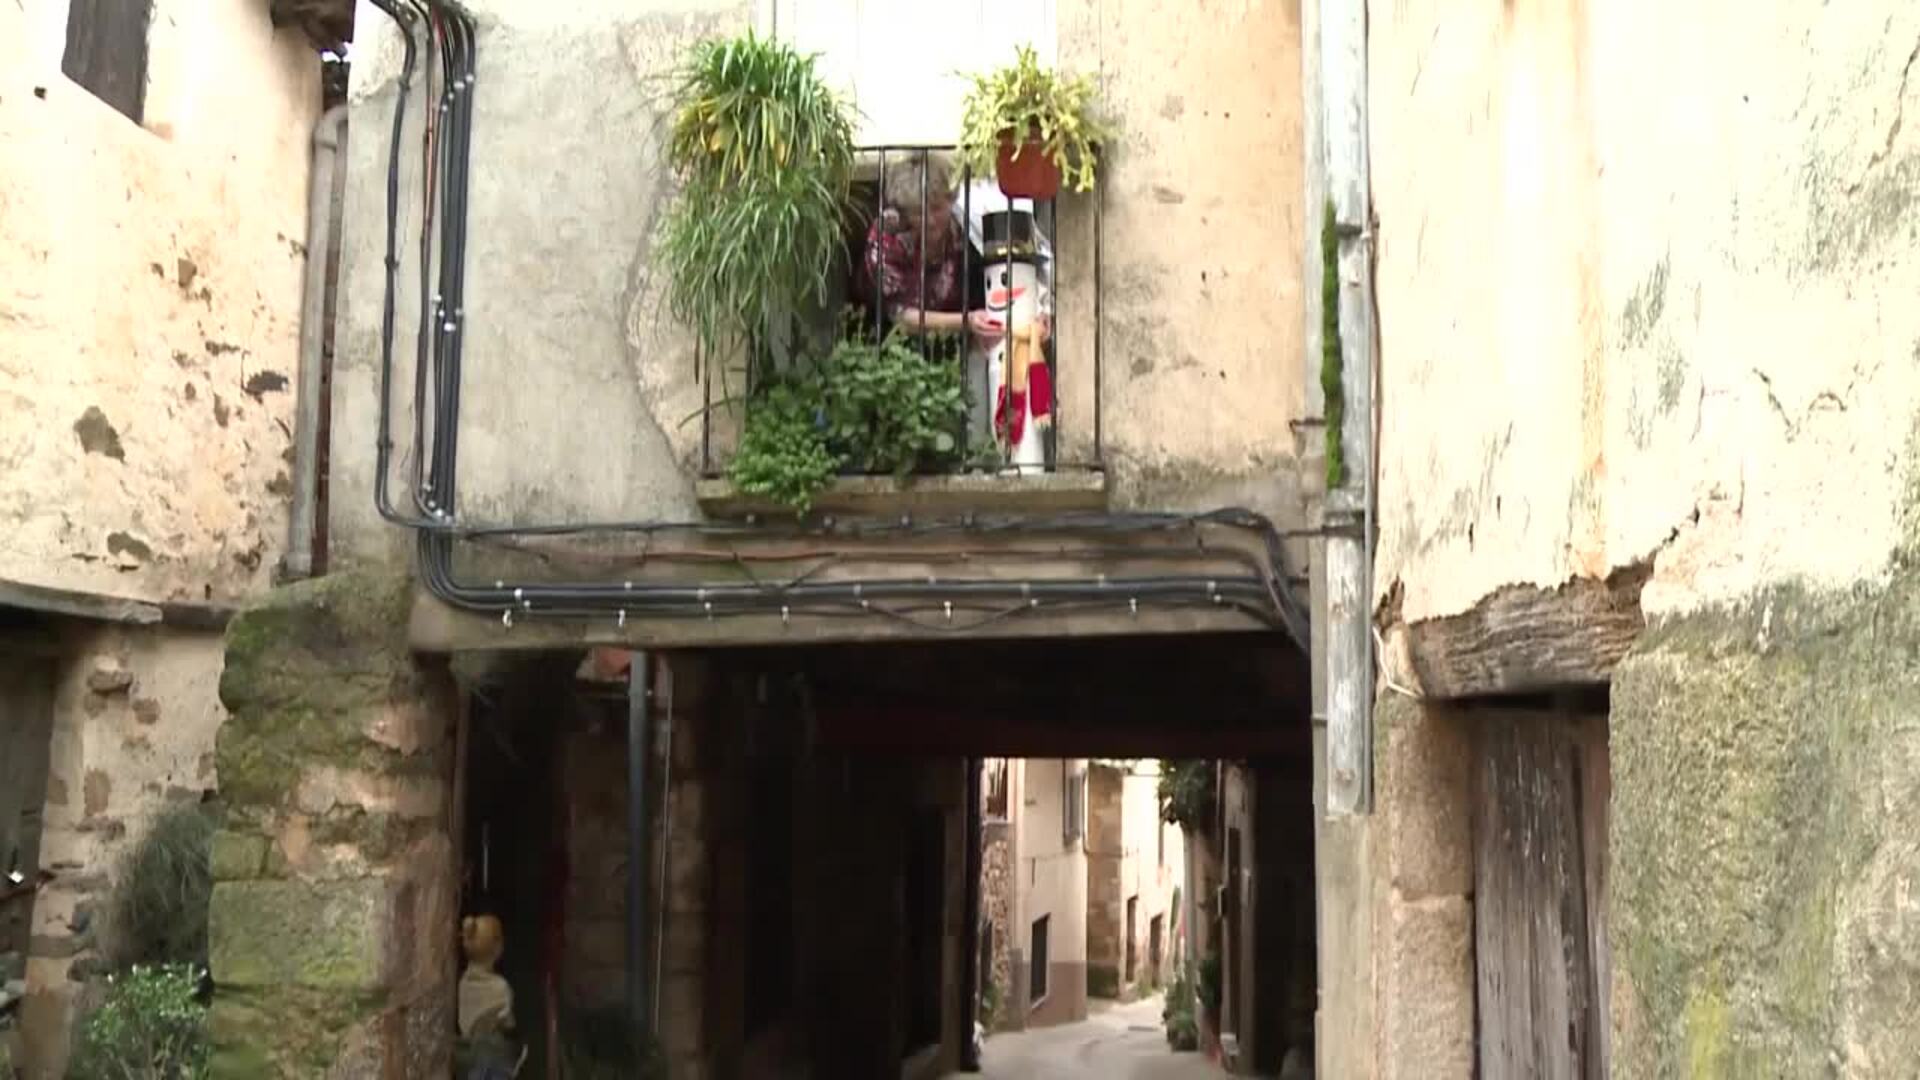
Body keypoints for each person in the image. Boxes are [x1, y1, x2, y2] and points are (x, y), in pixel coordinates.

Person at [861, 155, 1001, 341]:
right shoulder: (888, 235)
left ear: (951, 201)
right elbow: (901, 316)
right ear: (905, 211)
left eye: (936, 208)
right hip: (889, 341)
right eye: (919, 212)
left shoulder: (966, 228)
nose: (931, 221)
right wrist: (967, 320)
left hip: (958, 342)